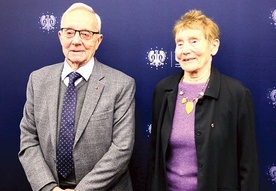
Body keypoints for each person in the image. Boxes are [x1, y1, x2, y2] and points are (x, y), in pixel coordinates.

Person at [19, 3, 135, 191]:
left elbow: (121, 150)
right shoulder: (37, 80)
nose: (76, 41)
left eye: (86, 34)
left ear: (98, 40)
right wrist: (49, 187)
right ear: (60, 36)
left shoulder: (122, 84)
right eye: (70, 32)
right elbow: (28, 140)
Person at [147, 10, 259, 191]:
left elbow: (248, 164)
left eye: (193, 41)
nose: (185, 50)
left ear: (213, 46)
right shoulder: (163, 90)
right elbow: (155, 159)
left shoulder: (236, 94)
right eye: (179, 43)